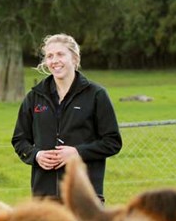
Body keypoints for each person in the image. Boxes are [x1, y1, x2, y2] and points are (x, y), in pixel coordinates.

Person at [11, 33, 122, 203]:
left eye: (60, 54)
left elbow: (112, 141)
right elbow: (20, 139)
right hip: (44, 196)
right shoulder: (34, 97)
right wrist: (36, 155)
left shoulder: (96, 95)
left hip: (85, 194)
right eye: (50, 56)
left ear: (74, 58)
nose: (55, 60)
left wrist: (78, 152)